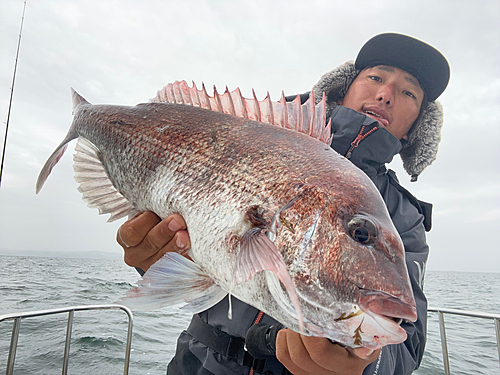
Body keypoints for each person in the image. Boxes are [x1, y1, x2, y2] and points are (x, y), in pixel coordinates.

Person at [117, 33, 450, 375]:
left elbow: (404, 349)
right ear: (342, 90)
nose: (385, 94)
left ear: (414, 128)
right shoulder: (262, 134)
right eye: (376, 78)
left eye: (408, 92)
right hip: (198, 363)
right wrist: (154, 258)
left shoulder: (406, 218)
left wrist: (364, 365)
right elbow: (183, 241)